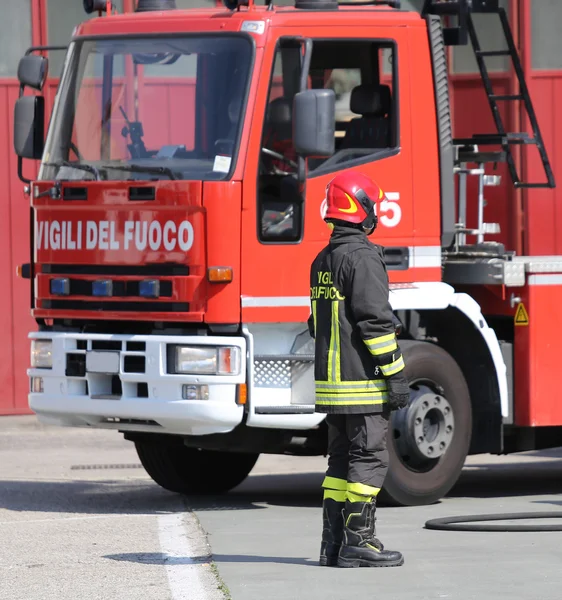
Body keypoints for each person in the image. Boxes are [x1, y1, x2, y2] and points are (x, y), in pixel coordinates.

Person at [307, 170, 410, 569]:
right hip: (363, 384)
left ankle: (332, 545)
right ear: (362, 208)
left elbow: (317, 323)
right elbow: (375, 325)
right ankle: (360, 542)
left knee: (339, 462)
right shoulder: (364, 258)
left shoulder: (323, 260)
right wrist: (397, 378)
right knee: (369, 457)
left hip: (332, 388)